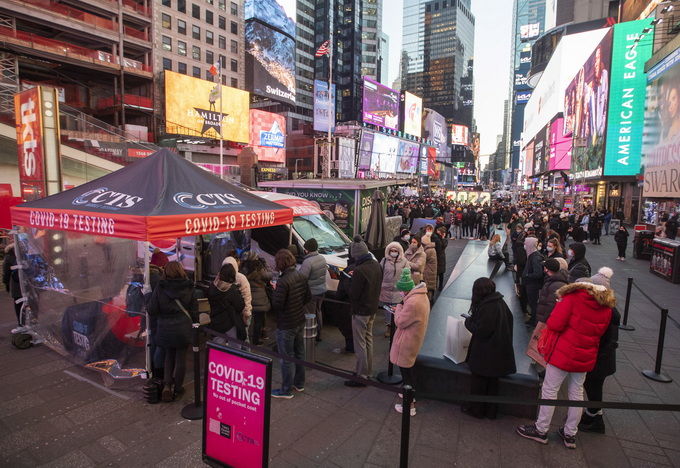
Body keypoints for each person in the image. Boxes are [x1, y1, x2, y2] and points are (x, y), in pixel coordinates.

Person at [516, 279, 614, 449]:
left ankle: (541, 430)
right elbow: (601, 332)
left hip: (564, 352)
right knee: (576, 392)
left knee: (550, 390)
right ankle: (570, 434)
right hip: (586, 355)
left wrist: (559, 306)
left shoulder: (573, 298)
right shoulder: (606, 305)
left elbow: (554, 324)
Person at [463, 278, 516, 419]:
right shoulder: (499, 301)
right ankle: (491, 412)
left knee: (478, 383)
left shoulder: (487, 307)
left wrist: (468, 322)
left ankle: (477, 411)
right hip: (498, 352)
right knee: (492, 385)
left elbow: (481, 331)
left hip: (485, 354)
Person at [147, 261, 198, 402]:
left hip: (165, 328)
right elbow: (194, 309)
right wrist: (195, 324)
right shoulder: (189, 286)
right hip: (182, 327)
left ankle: (167, 385)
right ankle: (178, 388)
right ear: (181, 270)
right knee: (181, 358)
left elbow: (152, 310)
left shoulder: (160, 287)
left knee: (168, 356)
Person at [578, 267, 619, 434]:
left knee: (594, 387)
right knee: (592, 387)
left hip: (600, 359)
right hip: (599, 357)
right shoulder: (606, 309)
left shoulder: (609, 312)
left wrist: (596, 354)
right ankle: (593, 415)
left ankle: (596, 420)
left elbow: (610, 341)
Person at [390, 268, 430, 416]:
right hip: (414, 338)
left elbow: (400, 322)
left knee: (406, 371)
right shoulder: (421, 296)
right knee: (409, 369)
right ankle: (409, 393)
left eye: (401, 291)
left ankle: (409, 404)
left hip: (407, 341)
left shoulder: (412, 303)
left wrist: (399, 308)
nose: (401, 293)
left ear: (407, 290)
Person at [271, 249, 311, 399]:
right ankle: (299, 383)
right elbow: (308, 297)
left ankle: (286, 390)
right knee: (299, 353)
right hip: (299, 320)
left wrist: (274, 290)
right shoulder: (300, 275)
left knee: (286, 357)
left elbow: (277, 305)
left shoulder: (283, 281)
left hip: (286, 324)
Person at [345, 237, 382, 387]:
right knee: (368, 341)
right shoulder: (375, 264)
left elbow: (353, 294)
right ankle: (367, 371)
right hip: (372, 309)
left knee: (359, 343)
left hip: (360, 311)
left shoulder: (359, 270)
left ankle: (361, 376)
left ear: (356, 255)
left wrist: (348, 280)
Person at [207, 263, 246, 341]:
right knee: (233, 349)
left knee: (218, 349)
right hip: (229, 324)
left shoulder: (212, 287)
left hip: (215, 324)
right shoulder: (232, 289)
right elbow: (240, 306)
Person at [240, 251, 272, 345]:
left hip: (248, 297)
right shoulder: (259, 270)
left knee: (248, 319)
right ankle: (256, 340)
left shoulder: (243, 269)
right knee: (258, 321)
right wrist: (266, 264)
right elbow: (270, 275)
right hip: (260, 299)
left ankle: (246, 338)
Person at [299, 238, 327, 342]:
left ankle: (311, 335)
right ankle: (319, 334)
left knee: (310, 314)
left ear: (307, 249)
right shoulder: (322, 258)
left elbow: (302, 278)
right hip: (322, 290)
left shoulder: (307, 261)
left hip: (311, 292)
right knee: (318, 311)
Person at [380, 242, 409, 338]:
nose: (393, 252)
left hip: (398, 291)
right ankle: (389, 327)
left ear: (399, 251)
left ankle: (396, 327)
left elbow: (407, 275)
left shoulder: (404, 261)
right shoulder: (384, 261)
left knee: (397, 310)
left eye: (395, 251)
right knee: (387, 311)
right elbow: (379, 273)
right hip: (385, 290)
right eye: (391, 250)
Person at [222, 256, 252, 331]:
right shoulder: (220, 278)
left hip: (239, 314)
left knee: (242, 335)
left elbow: (246, 296)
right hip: (226, 316)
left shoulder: (241, 278)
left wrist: (246, 313)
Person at [536, 259, 568, 324]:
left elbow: (550, 305)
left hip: (545, 320)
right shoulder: (552, 279)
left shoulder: (555, 285)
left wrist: (542, 322)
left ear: (547, 269)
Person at [522, 237, 545, 327]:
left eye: (525, 243)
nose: (524, 245)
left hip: (532, 285)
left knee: (533, 303)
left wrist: (527, 275)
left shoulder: (535, 257)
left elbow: (538, 273)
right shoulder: (532, 255)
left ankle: (534, 320)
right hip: (531, 284)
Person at [3, 243, 22, 327]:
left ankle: (21, 323)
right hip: (26, 284)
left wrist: (6, 283)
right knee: (29, 303)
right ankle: (32, 322)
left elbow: (6, 272)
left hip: (16, 284)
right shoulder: (25, 253)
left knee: (18, 304)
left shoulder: (8, 257)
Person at [420, 229, 438, 301]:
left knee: (428, 289)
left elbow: (422, 259)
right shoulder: (431, 249)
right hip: (431, 271)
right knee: (430, 288)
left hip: (428, 272)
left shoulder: (428, 251)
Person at [433, 225, 448, 291]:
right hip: (438, 257)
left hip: (441, 257)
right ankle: (435, 286)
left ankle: (440, 286)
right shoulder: (436, 238)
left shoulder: (444, 240)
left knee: (441, 273)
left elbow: (443, 246)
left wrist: (442, 238)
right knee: (436, 273)